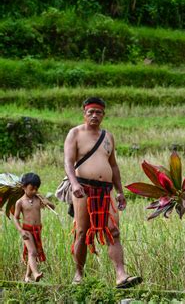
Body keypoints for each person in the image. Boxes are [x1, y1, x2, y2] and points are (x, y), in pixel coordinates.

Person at [63, 97, 142, 288]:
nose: (94, 115)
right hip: (83, 188)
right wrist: (74, 184)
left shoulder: (108, 136)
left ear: (103, 115)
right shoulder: (75, 133)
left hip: (105, 190)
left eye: (98, 112)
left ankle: (121, 275)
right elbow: (68, 161)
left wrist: (120, 191)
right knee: (81, 232)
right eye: (90, 112)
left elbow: (113, 165)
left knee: (113, 231)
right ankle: (78, 275)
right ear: (84, 114)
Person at [13, 173, 55, 282]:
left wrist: (47, 202)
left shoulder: (38, 199)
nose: (34, 191)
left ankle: (27, 277)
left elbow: (53, 207)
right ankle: (36, 273)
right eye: (31, 189)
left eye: (36, 189)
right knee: (32, 252)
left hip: (37, 230)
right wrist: (21, 231)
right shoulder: (20, 202)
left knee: (34, 252)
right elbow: (16, 218)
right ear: (24, 187)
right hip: (26, 230)